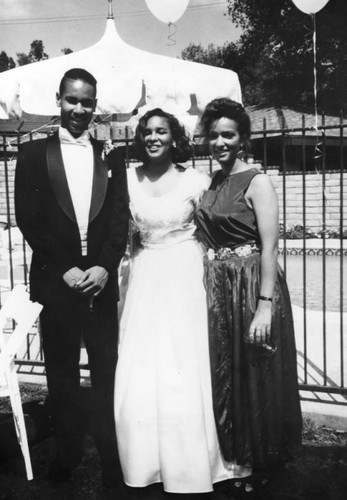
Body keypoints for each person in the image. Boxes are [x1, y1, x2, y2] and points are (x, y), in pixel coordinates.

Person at [114, 108, 252, 496]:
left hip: (184, 275)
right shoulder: (128, 179)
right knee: (141, 365)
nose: (154, 137)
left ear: (175, 138)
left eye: (162, 131)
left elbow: (215, 230)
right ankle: (145, 462)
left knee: (183, 364)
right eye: (147, 131)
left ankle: (192, 465)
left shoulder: (195, 180)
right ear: (140, 137)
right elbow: (124, 232)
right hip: (144, 275)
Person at [15, 68, 129, 488]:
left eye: (87, 102)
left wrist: (103, 266)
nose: (79, 109)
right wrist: (64, 267)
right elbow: (28, 218)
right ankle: (66, 451)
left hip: (100, 280)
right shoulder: (31, 155)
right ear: (58, 100)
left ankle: (111, 453)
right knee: (60, 371)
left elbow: (120, 219)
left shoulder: (111, 154)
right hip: (57, 279)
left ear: (95, 106)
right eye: (72, 100)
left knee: (106, 368)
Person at [195, 98, 302, 496]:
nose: (220, 142)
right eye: (214, 135)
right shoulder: (212, 181)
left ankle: (264, 463)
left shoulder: (257, 181)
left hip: (252, 285)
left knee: (257, 374)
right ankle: (236, 458)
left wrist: (264, 306)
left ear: (242, 139)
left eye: (228, 135)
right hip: (220, 288)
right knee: (230, 373)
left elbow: (271, 248)